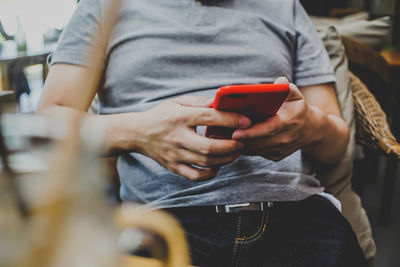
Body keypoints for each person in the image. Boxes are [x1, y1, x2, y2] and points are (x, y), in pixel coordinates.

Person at [37, 0, 368, 266]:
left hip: (298, 218)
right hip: (166, 224)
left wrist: (308, 126)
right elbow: (46, 127)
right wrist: (139, 132)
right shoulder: (102, 8)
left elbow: (336, 145)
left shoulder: (287, 7)